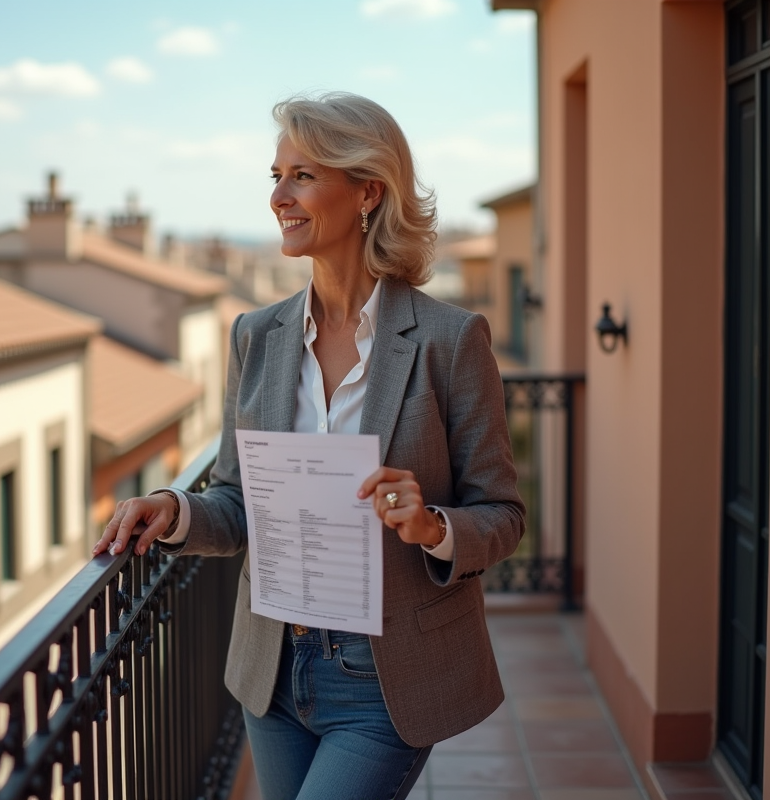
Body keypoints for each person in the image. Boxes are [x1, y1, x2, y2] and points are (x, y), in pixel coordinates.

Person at [93, 92, 525, 800]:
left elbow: (504, 515)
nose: (280, 199)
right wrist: (174, 510)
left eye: (302, 176)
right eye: (276, 177)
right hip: (274, 667)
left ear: (367, 191)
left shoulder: (450, 340)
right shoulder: (255, 336)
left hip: (386, 677)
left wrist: (433, 526)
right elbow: (236, 502)